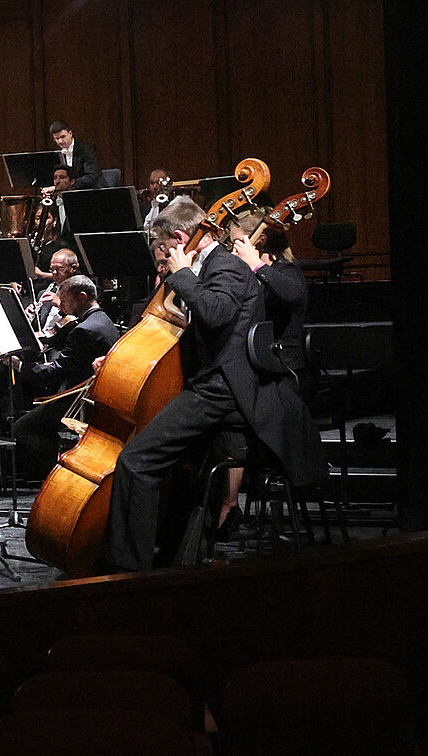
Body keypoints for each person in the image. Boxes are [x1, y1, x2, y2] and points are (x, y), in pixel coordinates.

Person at [105, 197, 269, 572]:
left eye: (162, 251)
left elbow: (214, 313)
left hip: (221, 392)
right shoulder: (210, 268)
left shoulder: (224, 266)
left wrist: (182, 274)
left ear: (179, 238)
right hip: (209, 386)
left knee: (136, 461)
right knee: (170, 466)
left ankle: (129, 569)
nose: (160, 262)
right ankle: (171, 551)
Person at [213, 209, 325, 538]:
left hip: (286, 375)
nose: (232, 249)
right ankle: (223, 502)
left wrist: (256, 265)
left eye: (236, 243)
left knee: (235, 410)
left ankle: (230, 501)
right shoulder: (248, 273)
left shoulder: (283, 270)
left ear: (257, 241)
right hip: (258, 373)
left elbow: (294, 295)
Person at [9, 275, 117, 480]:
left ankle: (52, 476)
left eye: (65, 300)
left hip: (77, 398)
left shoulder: (85, 330)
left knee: (22, 427)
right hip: (86, 392)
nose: (62, 305)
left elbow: (58, 370)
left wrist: (20, 367)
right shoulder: (101, 319)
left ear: (82, 297)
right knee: (41, 424)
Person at [27, 249, 82, 337]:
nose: (54, 273)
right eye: (52, 269)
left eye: (59, 268)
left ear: (73, 268)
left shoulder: (82, 292)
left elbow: (84, 319)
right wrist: (30, 315)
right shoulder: (47, 291)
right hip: (45, 340)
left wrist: (61, 305)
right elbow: (41, 325)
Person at [49, 120, 100, 190]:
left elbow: (92, 176)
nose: (60, 141)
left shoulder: (85, 150)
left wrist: (67, 186)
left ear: (70, 133)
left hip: (85, 191)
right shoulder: (56, 153)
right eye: (57, 138)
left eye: (62, 137)